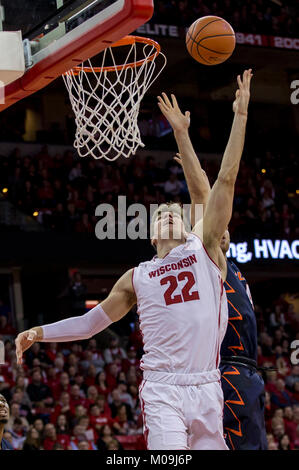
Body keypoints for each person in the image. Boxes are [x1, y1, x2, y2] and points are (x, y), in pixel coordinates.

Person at [15, 70, 253, 450]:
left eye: (177, 211)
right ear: (152, 233)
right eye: (163, 214)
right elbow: (91, 322)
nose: (172, 213)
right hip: (162, 388)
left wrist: (235, 118)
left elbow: (221, 182)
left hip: (208, 385)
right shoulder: (137, 276)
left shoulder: (204, 248)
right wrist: (40, 333)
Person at [161, 70, 267, 450]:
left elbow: (205, 191)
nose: (212, 222)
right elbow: (219, 182)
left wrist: (184, 135)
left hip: (242, 376)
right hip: (226, 374)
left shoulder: (228, 263)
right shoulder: (209, 259)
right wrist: (239, 117)